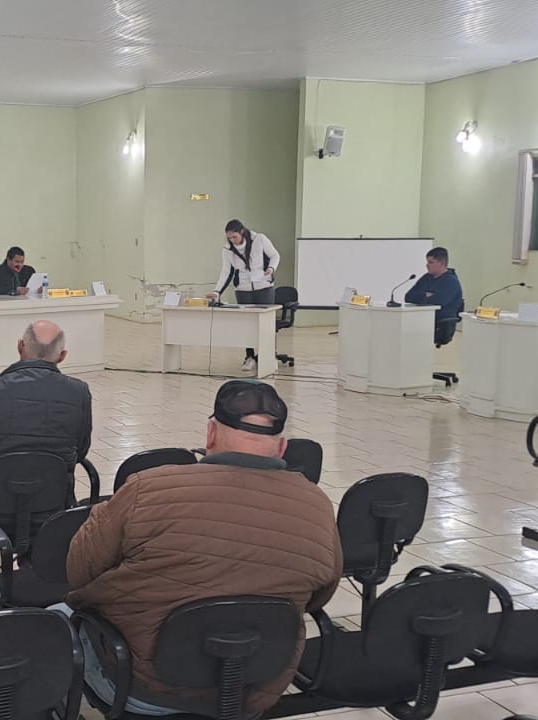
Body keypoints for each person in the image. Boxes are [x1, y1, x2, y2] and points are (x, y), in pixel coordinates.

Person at [61, 380, 342, 717]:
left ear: (210, 434)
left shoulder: (149, 488)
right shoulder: (317, 505)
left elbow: (78, 570)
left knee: (56, 617)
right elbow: (320, 595)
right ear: (282, 448)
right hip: (253, 688)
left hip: (140, 687)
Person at [0, 320, 91, 524]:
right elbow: (81, 449)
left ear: (20, 346)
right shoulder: (78, 392)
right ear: (62, 356)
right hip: (52, 508)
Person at [203, 219, 282, 373]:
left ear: (242, 232)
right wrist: (217, 291)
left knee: (266, 324)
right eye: (229, 238)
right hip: (243, 289)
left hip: (264, 287)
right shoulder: (227, 249)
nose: (232, 240)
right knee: (247, 325)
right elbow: (226, 272)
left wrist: (271, 268)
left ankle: (268, 356)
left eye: (235, 237)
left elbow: (275, 255)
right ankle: (250, 356)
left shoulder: (259, 239)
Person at [404, 247, 465, 341]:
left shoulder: (451, 281)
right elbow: (408, 297)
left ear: (442, 263)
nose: (427, 265)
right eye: (427, 262)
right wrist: (426, 295)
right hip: (421, 319)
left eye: (431, 262)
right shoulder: (427, 278)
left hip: (440, 324)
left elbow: (437, 301)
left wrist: (422, 297)